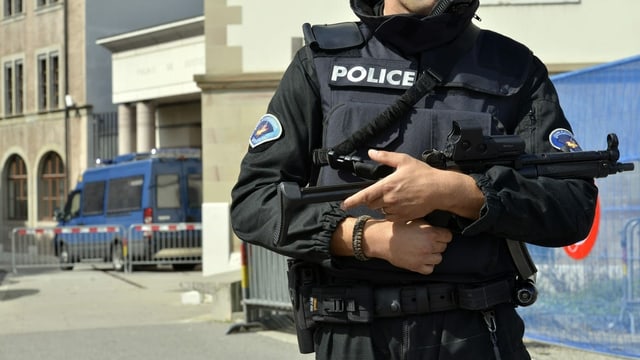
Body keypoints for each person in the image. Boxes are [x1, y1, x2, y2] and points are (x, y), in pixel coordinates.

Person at [230, 0, 598, 359]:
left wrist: (459, 193)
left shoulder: (514, 68)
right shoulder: (319, 63)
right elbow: (254, 202)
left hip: (476, 333)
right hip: (353, 334)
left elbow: (571, 206)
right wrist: (363, 238)